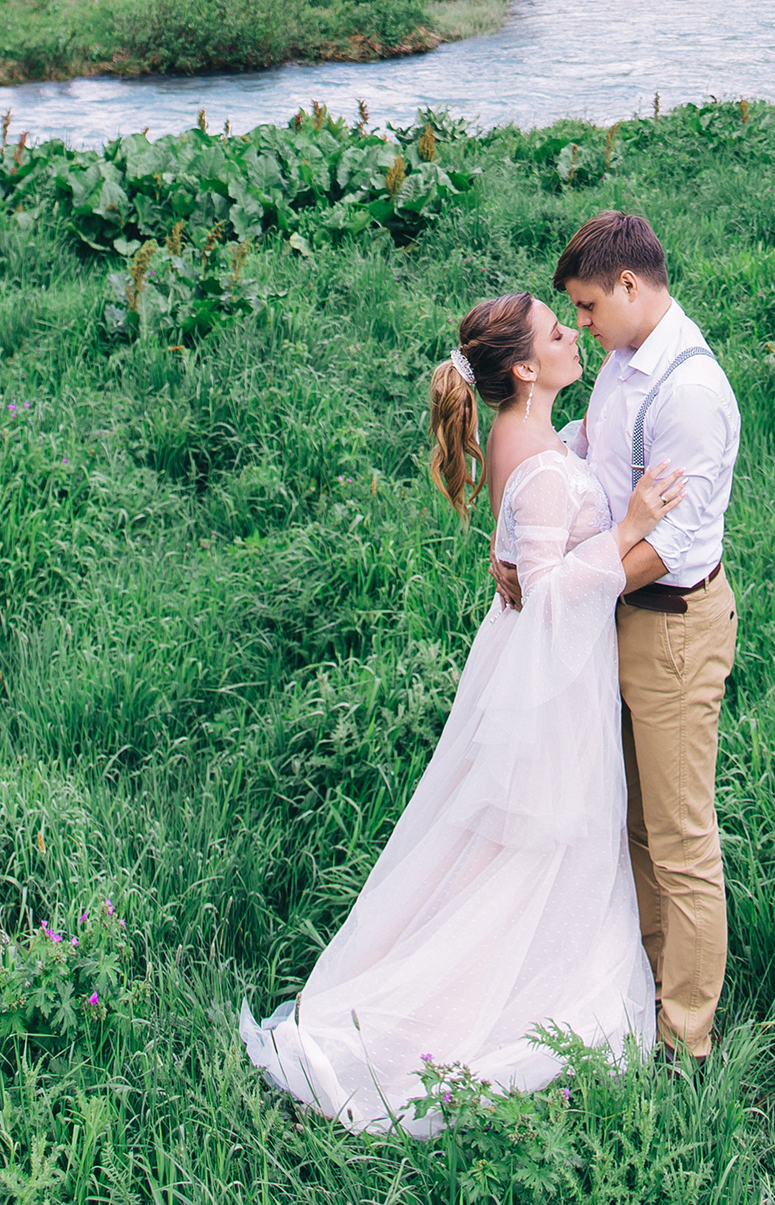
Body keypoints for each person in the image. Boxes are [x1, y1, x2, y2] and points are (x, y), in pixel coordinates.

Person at [239, 289, 685, 1136]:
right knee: (547, 843)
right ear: (525, 368)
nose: (573, 335)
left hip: (530, 670)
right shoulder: (544, 468)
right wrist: (627, 525)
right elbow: (552, 595)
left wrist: (524, 531)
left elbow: (531, 520)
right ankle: (492, 1007)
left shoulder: (530, 439)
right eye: (560, 332)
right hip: (554, 678)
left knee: (517, 844)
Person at [496, 210, 741, 1063]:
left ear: (630, 286)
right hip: (618, 621)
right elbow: (592, 455)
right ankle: (644, 988)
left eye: (589, 306)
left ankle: (688, 1041)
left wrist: (566, 585)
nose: (585, 324)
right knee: (629, 822)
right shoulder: (619, 361)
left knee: (679, 840)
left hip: (672, 628)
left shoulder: (690, 394)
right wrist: (525, 536)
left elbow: (664, 545)